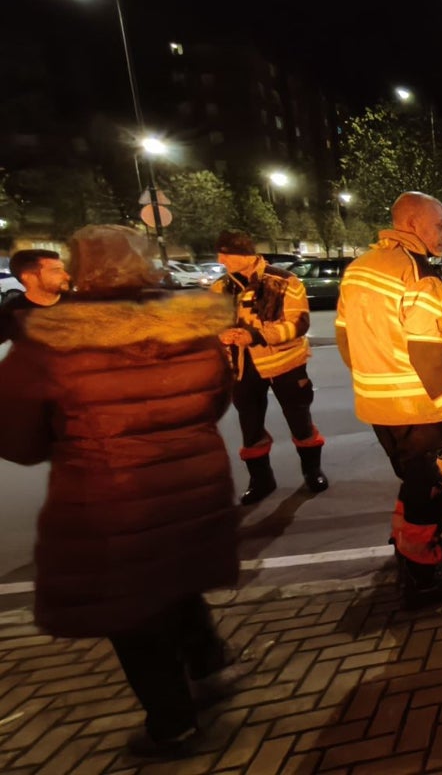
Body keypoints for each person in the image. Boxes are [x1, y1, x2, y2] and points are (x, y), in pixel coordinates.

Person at [0, 225, 239, 757]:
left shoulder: (50, 343)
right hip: (192, 483)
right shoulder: (190, 326)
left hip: (112, 499)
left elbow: (17, 439)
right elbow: (218, 400)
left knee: (133, 611)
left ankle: (173, 722)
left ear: (82, 271)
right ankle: (207, 660)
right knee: (176, 574)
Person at [336, 191, 442, 609]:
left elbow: (346, 341)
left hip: (378, 409)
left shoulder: (358, 270)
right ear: (411, 223)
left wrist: (379, 380)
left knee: (414, 486)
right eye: (440, 225)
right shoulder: (418, 276)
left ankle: (406, 556)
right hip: (420, 412)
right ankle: (424, 579)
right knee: (433, 496)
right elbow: (430, 361)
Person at [212, 230, 328, 506]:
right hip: (242, 367)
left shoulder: (284, 281)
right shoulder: (219, 288)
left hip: (285, 363)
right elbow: (211, 322)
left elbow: (299, 323)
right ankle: (261, 480)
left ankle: (312, 471)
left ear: (245, 254)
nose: (221, 259)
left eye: (226, 253)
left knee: (300, 421)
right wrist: (221, 334)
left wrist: (257, 336)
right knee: (250, 426)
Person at [0, 249, 71, 344]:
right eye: (56, 271)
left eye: (63, 270)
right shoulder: (11, 315)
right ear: (29, 277)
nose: (67, 276)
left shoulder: (80, 304)